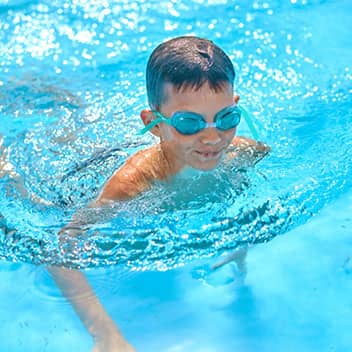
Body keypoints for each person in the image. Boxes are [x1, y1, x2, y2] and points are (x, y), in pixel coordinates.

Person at [49, 36, 270, 352]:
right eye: (188, 123)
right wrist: (105, 334)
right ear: (153, 123)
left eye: (226, 118)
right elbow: (61, 248)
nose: (212, 138)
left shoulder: (244, 153)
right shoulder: (132, 185)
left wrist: (239, 243)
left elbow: (247, 196)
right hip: (80, 174)